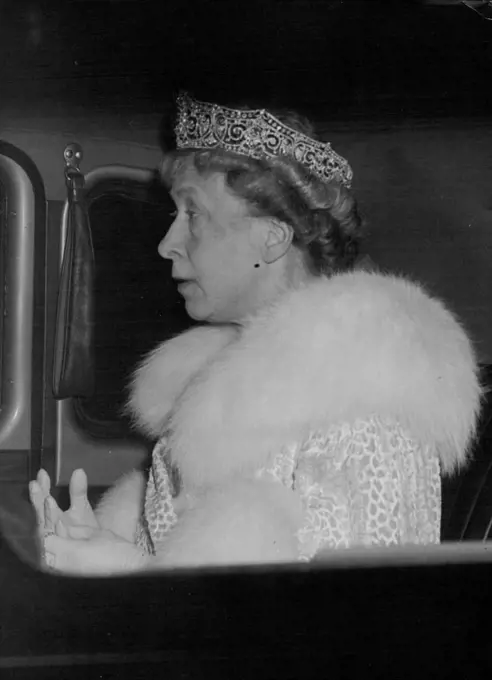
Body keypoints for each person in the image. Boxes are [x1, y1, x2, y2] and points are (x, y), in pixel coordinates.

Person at [29, 92, 481, 575]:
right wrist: (109, 546)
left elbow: (361, 624)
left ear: (272, 236)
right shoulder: (208, 392)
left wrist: (133, 576)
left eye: (193, 214)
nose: (167, 244)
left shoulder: (368, 403)